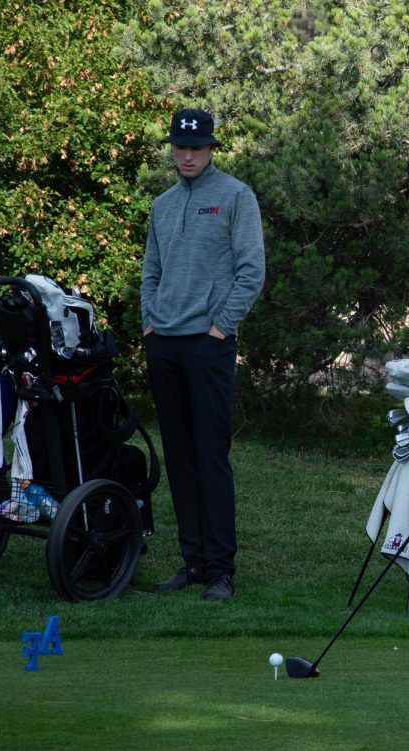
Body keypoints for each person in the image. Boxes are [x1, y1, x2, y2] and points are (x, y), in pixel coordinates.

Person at [142, 108, 265, 601]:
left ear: (211, 149)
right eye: (180, 147)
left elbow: (250, 271)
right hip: (164, 344)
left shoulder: (236, 196)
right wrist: (149, 322)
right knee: (178, 456)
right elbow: (150, 272)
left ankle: (220, 571)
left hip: (208, 344)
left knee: (211, 456)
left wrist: (220, 328)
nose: (188, 155)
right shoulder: (162, 205)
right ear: (172, 149)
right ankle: (192, 562)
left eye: (197, 147)